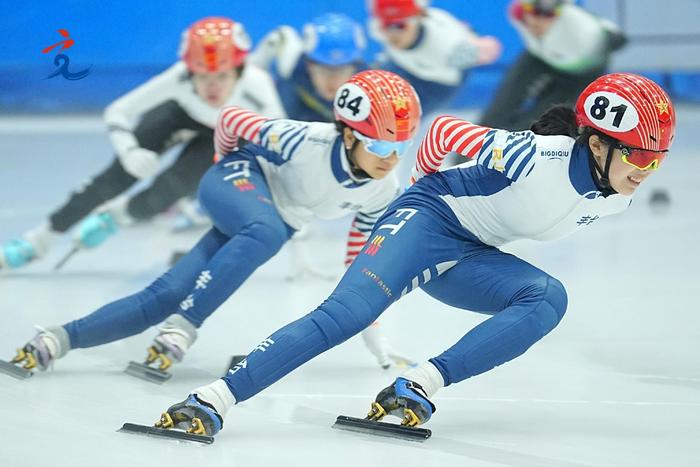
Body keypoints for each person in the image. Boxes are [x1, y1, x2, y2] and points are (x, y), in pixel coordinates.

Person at [144, 73, 674, 437]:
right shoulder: (535, 154)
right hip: (426, 220)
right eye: (641, 156)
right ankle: (212, 400)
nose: (646, 171)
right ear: (598, 143)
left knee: (546, 298)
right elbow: (442, 131)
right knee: (349, 313)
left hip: (471, 251)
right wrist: (419, 192)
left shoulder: (616, 196)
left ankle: (415, 387)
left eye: (657, 160)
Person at [6, 70, 422, 375]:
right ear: (348, 134)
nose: (391, 158)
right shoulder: (304, 139)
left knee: (165, 293)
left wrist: (374, 335)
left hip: (256, 224)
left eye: (401, 146)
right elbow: (230, 120)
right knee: (271, 230)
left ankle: (56, 339)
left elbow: (358, 265)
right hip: (236, 183)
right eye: (381, 144)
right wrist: (224, 165)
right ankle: (184, 328)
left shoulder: (383, 191)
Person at [0, 17, 285, 269]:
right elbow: (117, 111)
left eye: (222, 77)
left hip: (221, 133)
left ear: (239, 71)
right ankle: (37, 241)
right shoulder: (176, 79)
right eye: (203, 76)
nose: (213, 87)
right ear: (189, 71)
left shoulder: (257, 87)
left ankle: (117, 216)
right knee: (114, 180)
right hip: (177, 115)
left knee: (168, 191)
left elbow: (281, 142)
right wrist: (128, 151)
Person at [480, 0, 627, 131]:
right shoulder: (516, 13)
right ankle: (472, 153)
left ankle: (514, 151)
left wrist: (611, 39)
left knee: (541, 119)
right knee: (503, 104)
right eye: (532, 12)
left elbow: (614, 34)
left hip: (580, 74)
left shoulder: (585, 30)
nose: (537, 21)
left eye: (548, 15)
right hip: (538, 58)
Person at [368, 0, 501, 115]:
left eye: (400, 25)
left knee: (395, 119)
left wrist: (476, 43)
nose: (393, 33)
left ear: (419, 18)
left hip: (435, 85)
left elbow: (490, 50)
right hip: (400, 64)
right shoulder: (377, 29)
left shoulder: (445, 47)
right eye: (386, 25)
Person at [248, 12, 366, 122]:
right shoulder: (291, 67)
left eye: (341, 69)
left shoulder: (369, 91)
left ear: (355, 68)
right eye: (323, 69)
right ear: (309, 64)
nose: (332, 79)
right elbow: (281, 35)